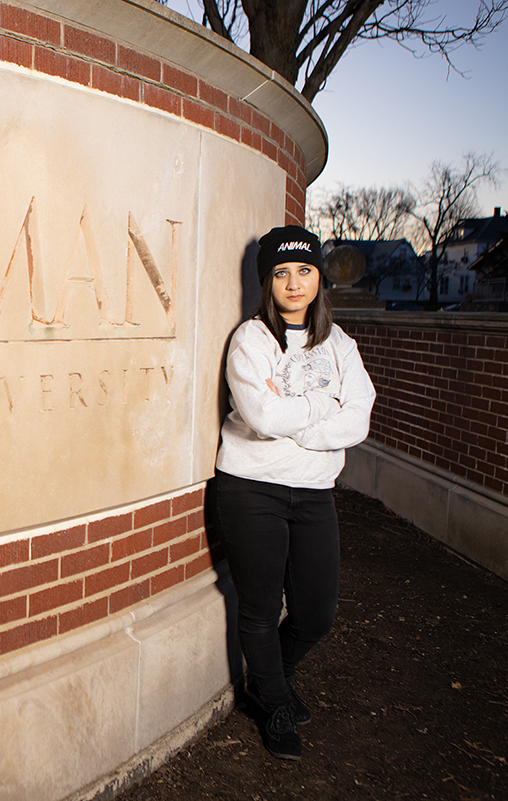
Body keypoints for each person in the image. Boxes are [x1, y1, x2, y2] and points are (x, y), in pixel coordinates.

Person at [213, 225, 376, 760]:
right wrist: (322, 409)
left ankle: (269, 682)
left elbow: (358, 419)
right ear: (268, 282)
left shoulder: (340, 345)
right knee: (261, 609)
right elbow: (262, 416)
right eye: (281, 273)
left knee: (316, 615)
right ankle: (276, 703)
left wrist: (297, 422)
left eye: (304, 271)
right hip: (252, 489)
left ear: (319, 278)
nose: (293, 283)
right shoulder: (251, 340)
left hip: (313, 492)